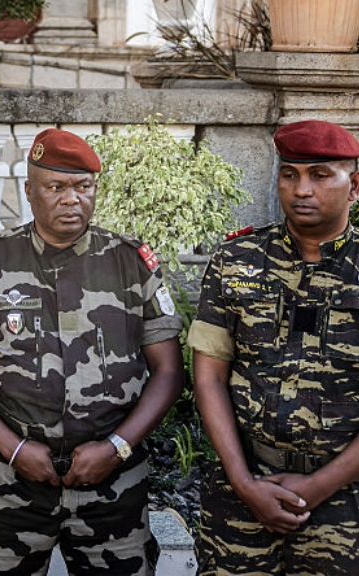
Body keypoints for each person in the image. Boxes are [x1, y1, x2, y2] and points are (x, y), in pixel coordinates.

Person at [0, 129, 185, 576]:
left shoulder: (130, 263)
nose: (72, 199)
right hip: (9, 484)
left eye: (83, 186)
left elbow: (168, 371)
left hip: (113, 484)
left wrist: (116, 447)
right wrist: (13, 449)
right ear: (29, 191)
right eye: (55, 187)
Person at [189, 119, 359, 575]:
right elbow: (208, 378)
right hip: (241, 492)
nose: (301, 190)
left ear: (354, 186)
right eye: (289, 174)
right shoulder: (236, 262)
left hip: (346, 502)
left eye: (320, 175)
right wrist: (244, 482)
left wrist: (318, 487)